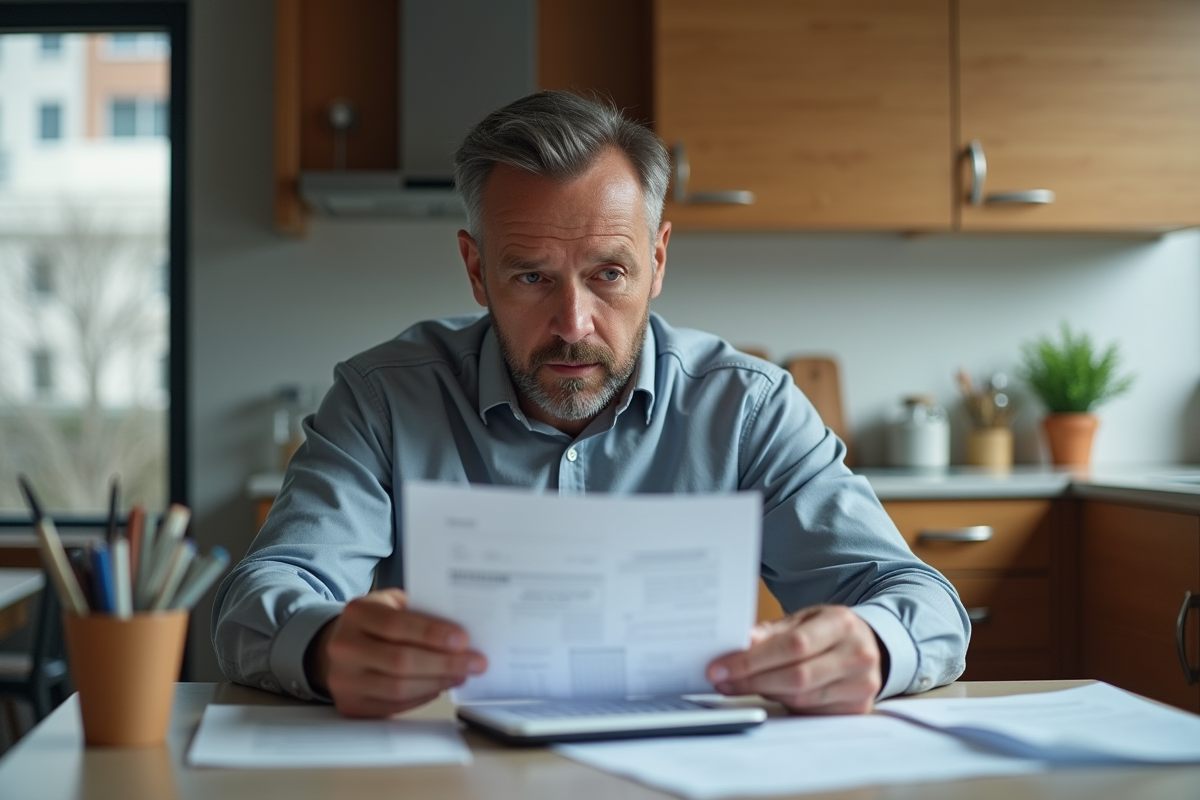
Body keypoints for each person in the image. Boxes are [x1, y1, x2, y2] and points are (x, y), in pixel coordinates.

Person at [212, 91, 968, 719]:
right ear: (476, 271)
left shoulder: (748, 407)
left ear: (659, 261)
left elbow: (921, 600)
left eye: (609, 273)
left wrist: (870, 644)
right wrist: (322, 645)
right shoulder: (381, 400)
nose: (573, 324)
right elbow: (259, 597)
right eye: (532, 278)